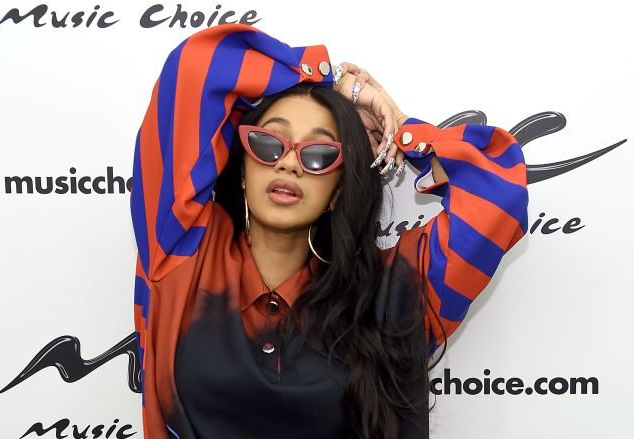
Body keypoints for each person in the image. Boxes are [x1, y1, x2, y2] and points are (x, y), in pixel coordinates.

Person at [130, 23, 529, 439]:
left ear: (338, 191)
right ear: (243, 172)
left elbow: (499, 194)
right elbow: (197, 65)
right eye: (268, 144)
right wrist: (330, 80)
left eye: (319, 154)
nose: (288, 163)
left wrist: (401, 129)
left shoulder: (393, 295)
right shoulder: (182, 249)